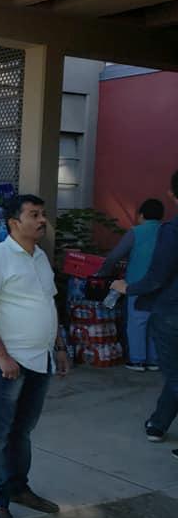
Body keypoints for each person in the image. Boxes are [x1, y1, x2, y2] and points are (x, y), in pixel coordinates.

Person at [0, 194, 70, 518]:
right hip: (7, 359)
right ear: (15, 222)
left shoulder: (41, 257)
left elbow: (48, 305)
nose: (42, 220)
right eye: (34, 215)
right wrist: (1, 354)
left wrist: (58, 346)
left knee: (22, 430)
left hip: (39, 357)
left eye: (43, 214)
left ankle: (18, 487)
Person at [111, 169, 178, 455]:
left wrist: (128, 288)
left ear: (172, 194)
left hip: (170, 310)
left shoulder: (172, 231)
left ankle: (158, 423)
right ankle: (159, 423)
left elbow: (158, 275)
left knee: (175, 376)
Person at [96, 198, 164, 371]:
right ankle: (154, 360)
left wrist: (102, 273)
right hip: (162, 285)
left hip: (136, 285)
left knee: (137, 322)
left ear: (141, 215)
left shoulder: (136, 232)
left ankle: (137, 360)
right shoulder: (167, 232)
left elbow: (114, 256)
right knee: (154, 323)